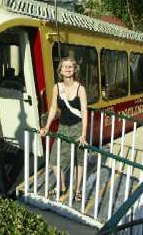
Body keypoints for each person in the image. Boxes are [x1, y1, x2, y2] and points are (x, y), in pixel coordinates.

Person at [40, 57, 87, 201]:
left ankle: (77, 189)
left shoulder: (80, 88)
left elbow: (84, 112)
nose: (67, 69)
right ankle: (61, 186)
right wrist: (47, 127)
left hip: (77, 128)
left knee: (79, 161)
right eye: (64, 67)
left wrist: (83, 134)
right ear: (60, 70)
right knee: (54, 161)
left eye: (70, 67)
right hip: (62, 128)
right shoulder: (57, 87)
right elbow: (54, 107)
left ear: (74, 70)